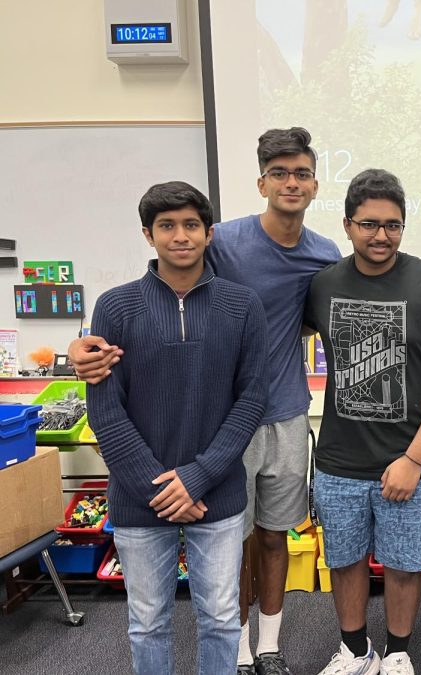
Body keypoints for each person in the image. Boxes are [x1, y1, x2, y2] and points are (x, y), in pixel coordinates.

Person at [70, 127, 342, 675]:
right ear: (262, 181)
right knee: (230, 544)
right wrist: (84, 345)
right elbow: (168, 299)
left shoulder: (324, 253)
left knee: (273, 536)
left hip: (285, 411)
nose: (291, 182)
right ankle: (237, 648)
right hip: (222, 422)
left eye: (302, 173)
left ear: (315, 183)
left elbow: (314, 321)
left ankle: (268, 645)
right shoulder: (226, 242)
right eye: (280, 173)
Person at [86, 181, 268, 674]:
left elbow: (252, 399)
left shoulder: (243, 305)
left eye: (191, 225)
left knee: (222, 618)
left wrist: (197, 476)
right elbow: (105, 409)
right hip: (138, 498)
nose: (180, 236)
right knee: (147, 621)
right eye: (167, 226)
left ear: (209, 234)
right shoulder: (115, 307)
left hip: (218, 493)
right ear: (148, 235)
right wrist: (159, 487)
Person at [304, 168, 421, 675]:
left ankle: (397, 651)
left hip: (410, 462)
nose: (381, 235)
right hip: (338, 461)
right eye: (369, 224)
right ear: (348, 225)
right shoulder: (323, 284)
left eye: (392, 225)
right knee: (345, 561)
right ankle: (355, 650)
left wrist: (414, 458)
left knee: (403, 564)